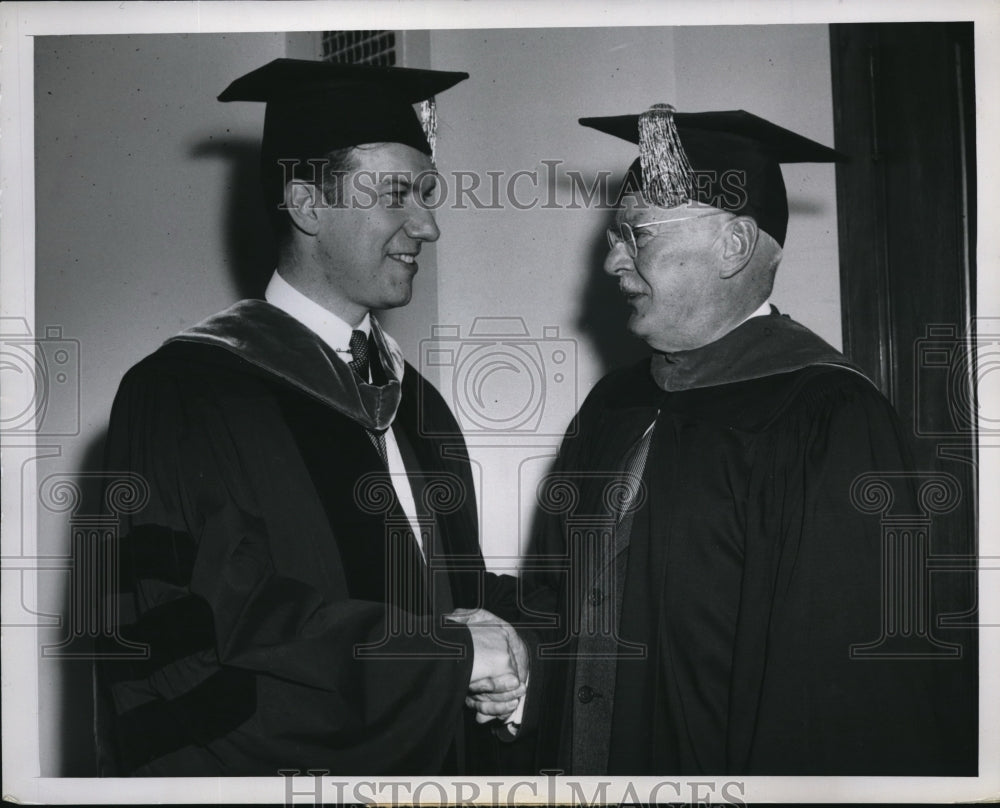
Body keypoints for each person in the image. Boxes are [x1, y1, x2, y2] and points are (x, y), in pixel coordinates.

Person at [497, 104, 973, 775]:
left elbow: (837, 698)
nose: (611, 260)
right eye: (614, 235)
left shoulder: (829, 416)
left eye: (637, 234)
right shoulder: (614, 405)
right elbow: (554, 598)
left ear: (733, 246)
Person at [94, 59, 528, 777]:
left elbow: (456, 593)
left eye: (427, 193)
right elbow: (207, 629)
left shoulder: (417, 405)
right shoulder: (185, 393)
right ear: (307, 205)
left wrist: (510, 651)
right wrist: (443, 656)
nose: (427, 224)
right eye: (396, 194)